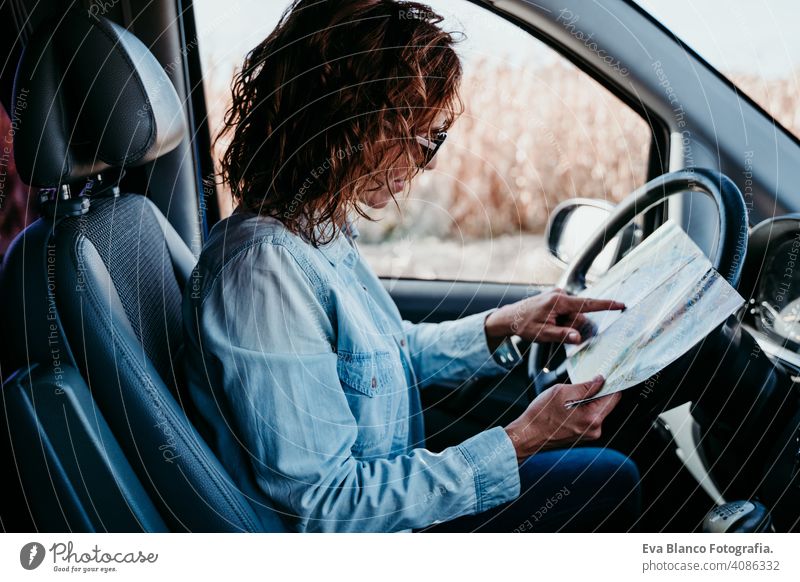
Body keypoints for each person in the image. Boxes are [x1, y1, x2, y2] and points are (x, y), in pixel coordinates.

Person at [183, 0, 641, 533]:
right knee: (612, 478)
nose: (426, 161)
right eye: (417, 139)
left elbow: (382, 361)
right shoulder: (264, 276)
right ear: (346, 127)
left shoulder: (315, 228)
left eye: (433, 141)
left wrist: (504, 325)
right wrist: (522, 439)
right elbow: (326, 507)